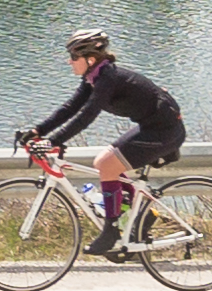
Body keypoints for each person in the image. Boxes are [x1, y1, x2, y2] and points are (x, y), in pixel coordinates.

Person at [20, 25, 183, 254]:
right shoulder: (95, 77)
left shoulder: (108, 79)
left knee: (106, 164)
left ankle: (111, 230)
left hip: (164, 131)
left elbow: (87, 116)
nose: (69, 62)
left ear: (90, 58)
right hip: (153, 126)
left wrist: (53, 141)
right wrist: (38, 131)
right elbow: (71, 108)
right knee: (104, 165)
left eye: (73, 57)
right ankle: (141, 218)